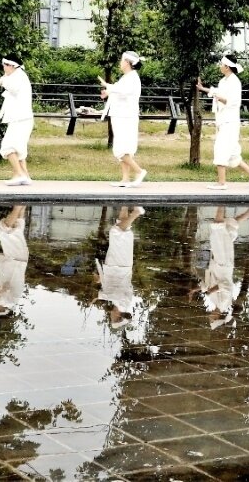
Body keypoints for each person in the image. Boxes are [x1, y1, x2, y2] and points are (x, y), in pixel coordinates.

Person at [197, 54, 249, 190]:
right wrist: (203, 89)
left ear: (227, 67)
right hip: (222, 120)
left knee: (221, 148)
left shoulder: (235, 82)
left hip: (230, 122)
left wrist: (220, 98)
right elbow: (217, 92)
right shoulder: (223, 81)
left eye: (222, 64)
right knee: (232, 154)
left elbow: (233, 101)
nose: (220, 66)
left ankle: (222, 183)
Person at [0, 56, 35, 185]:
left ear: (12, 66)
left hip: (21, 120)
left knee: (8, 147)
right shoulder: (15, 76)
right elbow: (1, 81)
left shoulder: (18, 77)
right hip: (21, 119)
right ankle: (25, 176)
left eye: (5, 65)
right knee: (19, 149)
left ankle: (19, 174)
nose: (3, 67)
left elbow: (8, 84)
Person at [199, 206, 249, 327]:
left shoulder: (215, 303)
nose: (209, 317)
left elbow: (209, 284)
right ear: (217, 317)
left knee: (228, 231)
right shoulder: (224, 304)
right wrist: (210, 290)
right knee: (218, 229)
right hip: (223, 264)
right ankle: (222, 202)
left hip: (217, 264)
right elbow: (226, 286)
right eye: (211, 320)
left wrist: (201, 288)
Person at [100, 50, 147, 187]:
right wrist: (108, 91)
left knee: (121, 149)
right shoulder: (127, 77)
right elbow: (120, 91)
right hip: (122, 115)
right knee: (124, 148)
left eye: (122, 60)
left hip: (125, 117)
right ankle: (125, 179)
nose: (120, 63)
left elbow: (123, 91)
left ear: (127, 62)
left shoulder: (132, 78)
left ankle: (139, 171)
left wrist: (108, 87)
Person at [94, 206, 145, 329]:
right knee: (116, 232)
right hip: (120, 266)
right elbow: (117, 294)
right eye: (112, 318)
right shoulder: (124, 304)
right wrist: (100, 296)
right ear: (117, 317)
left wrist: (101, 280)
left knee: (121, 227)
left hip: (114, 267)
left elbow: (112, 289)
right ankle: (136, 213)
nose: (110, 315)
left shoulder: (117, 304)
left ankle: (124, 204)